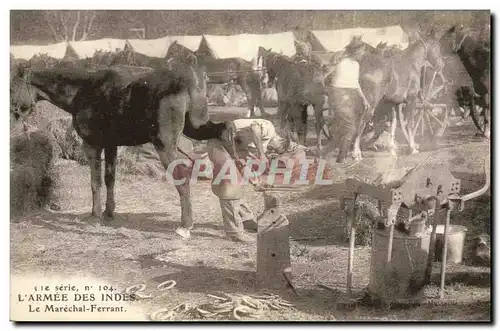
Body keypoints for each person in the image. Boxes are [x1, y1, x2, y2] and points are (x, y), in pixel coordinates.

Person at [207, 118, 307, 243]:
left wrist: (255, 181)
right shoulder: (269, 128)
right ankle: (234, 232)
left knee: (238, 182)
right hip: (219, 143)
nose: (272, 150)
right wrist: (261, 154)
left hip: (231, 145)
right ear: (280, 140)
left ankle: (246, 219)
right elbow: (255, 128)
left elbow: (244, 164)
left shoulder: (258, 144)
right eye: (277, 149)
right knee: (229, 186)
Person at [325, 36, 371, 161]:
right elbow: (338, 84)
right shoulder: (342, 63)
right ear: (355, 52)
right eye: (361, 52)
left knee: (353, 123)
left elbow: (355, 84)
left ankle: (330, 152)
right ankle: (341, 158)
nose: (362, 55)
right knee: (350, 128)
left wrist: (364, 99)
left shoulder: (355, 64)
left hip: (350, 95)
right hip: (340, 95)